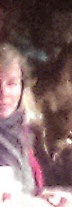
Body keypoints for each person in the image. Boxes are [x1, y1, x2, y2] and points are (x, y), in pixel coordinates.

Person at [0, 44, 42, 193]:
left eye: (11, 83)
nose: (3, 92)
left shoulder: (27, 133)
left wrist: (45, 197)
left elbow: (28, 189)